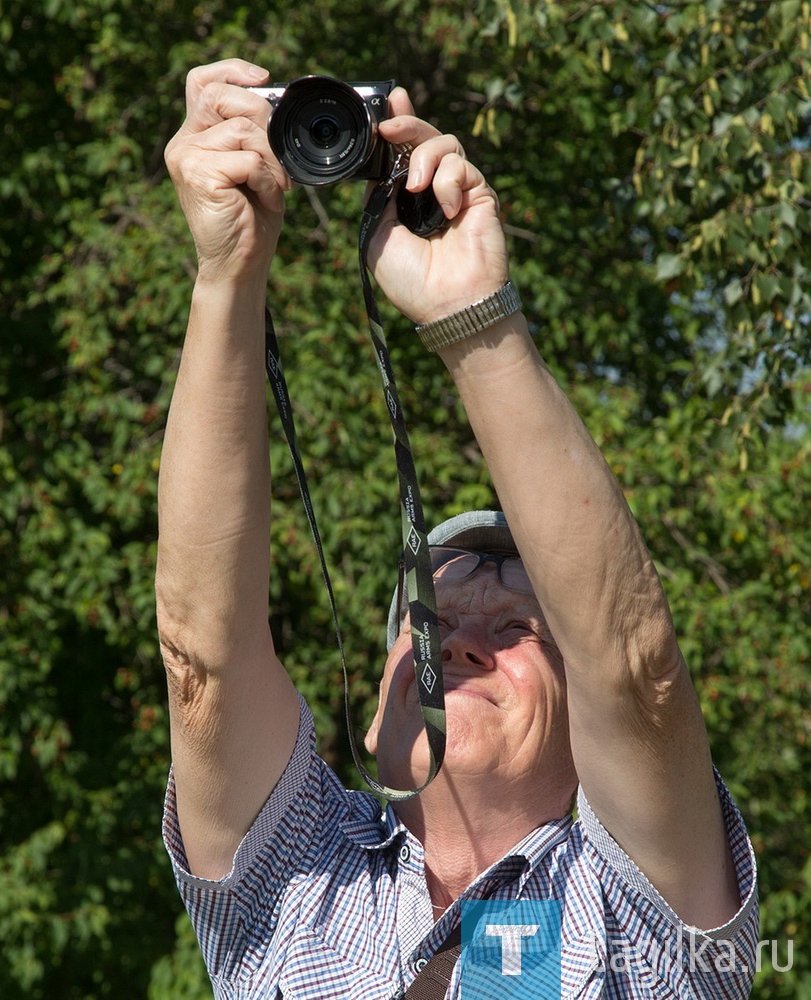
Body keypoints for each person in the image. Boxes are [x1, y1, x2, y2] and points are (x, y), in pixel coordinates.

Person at [156, 58, 758, 999]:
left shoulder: (645, 906)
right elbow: (202, 660)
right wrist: (226, 273)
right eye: (428, 627)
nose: (465, 646)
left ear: (588, 739)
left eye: (518, 630)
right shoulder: (299, 882)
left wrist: (471, 316)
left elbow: (634, 671)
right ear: (380, 708)